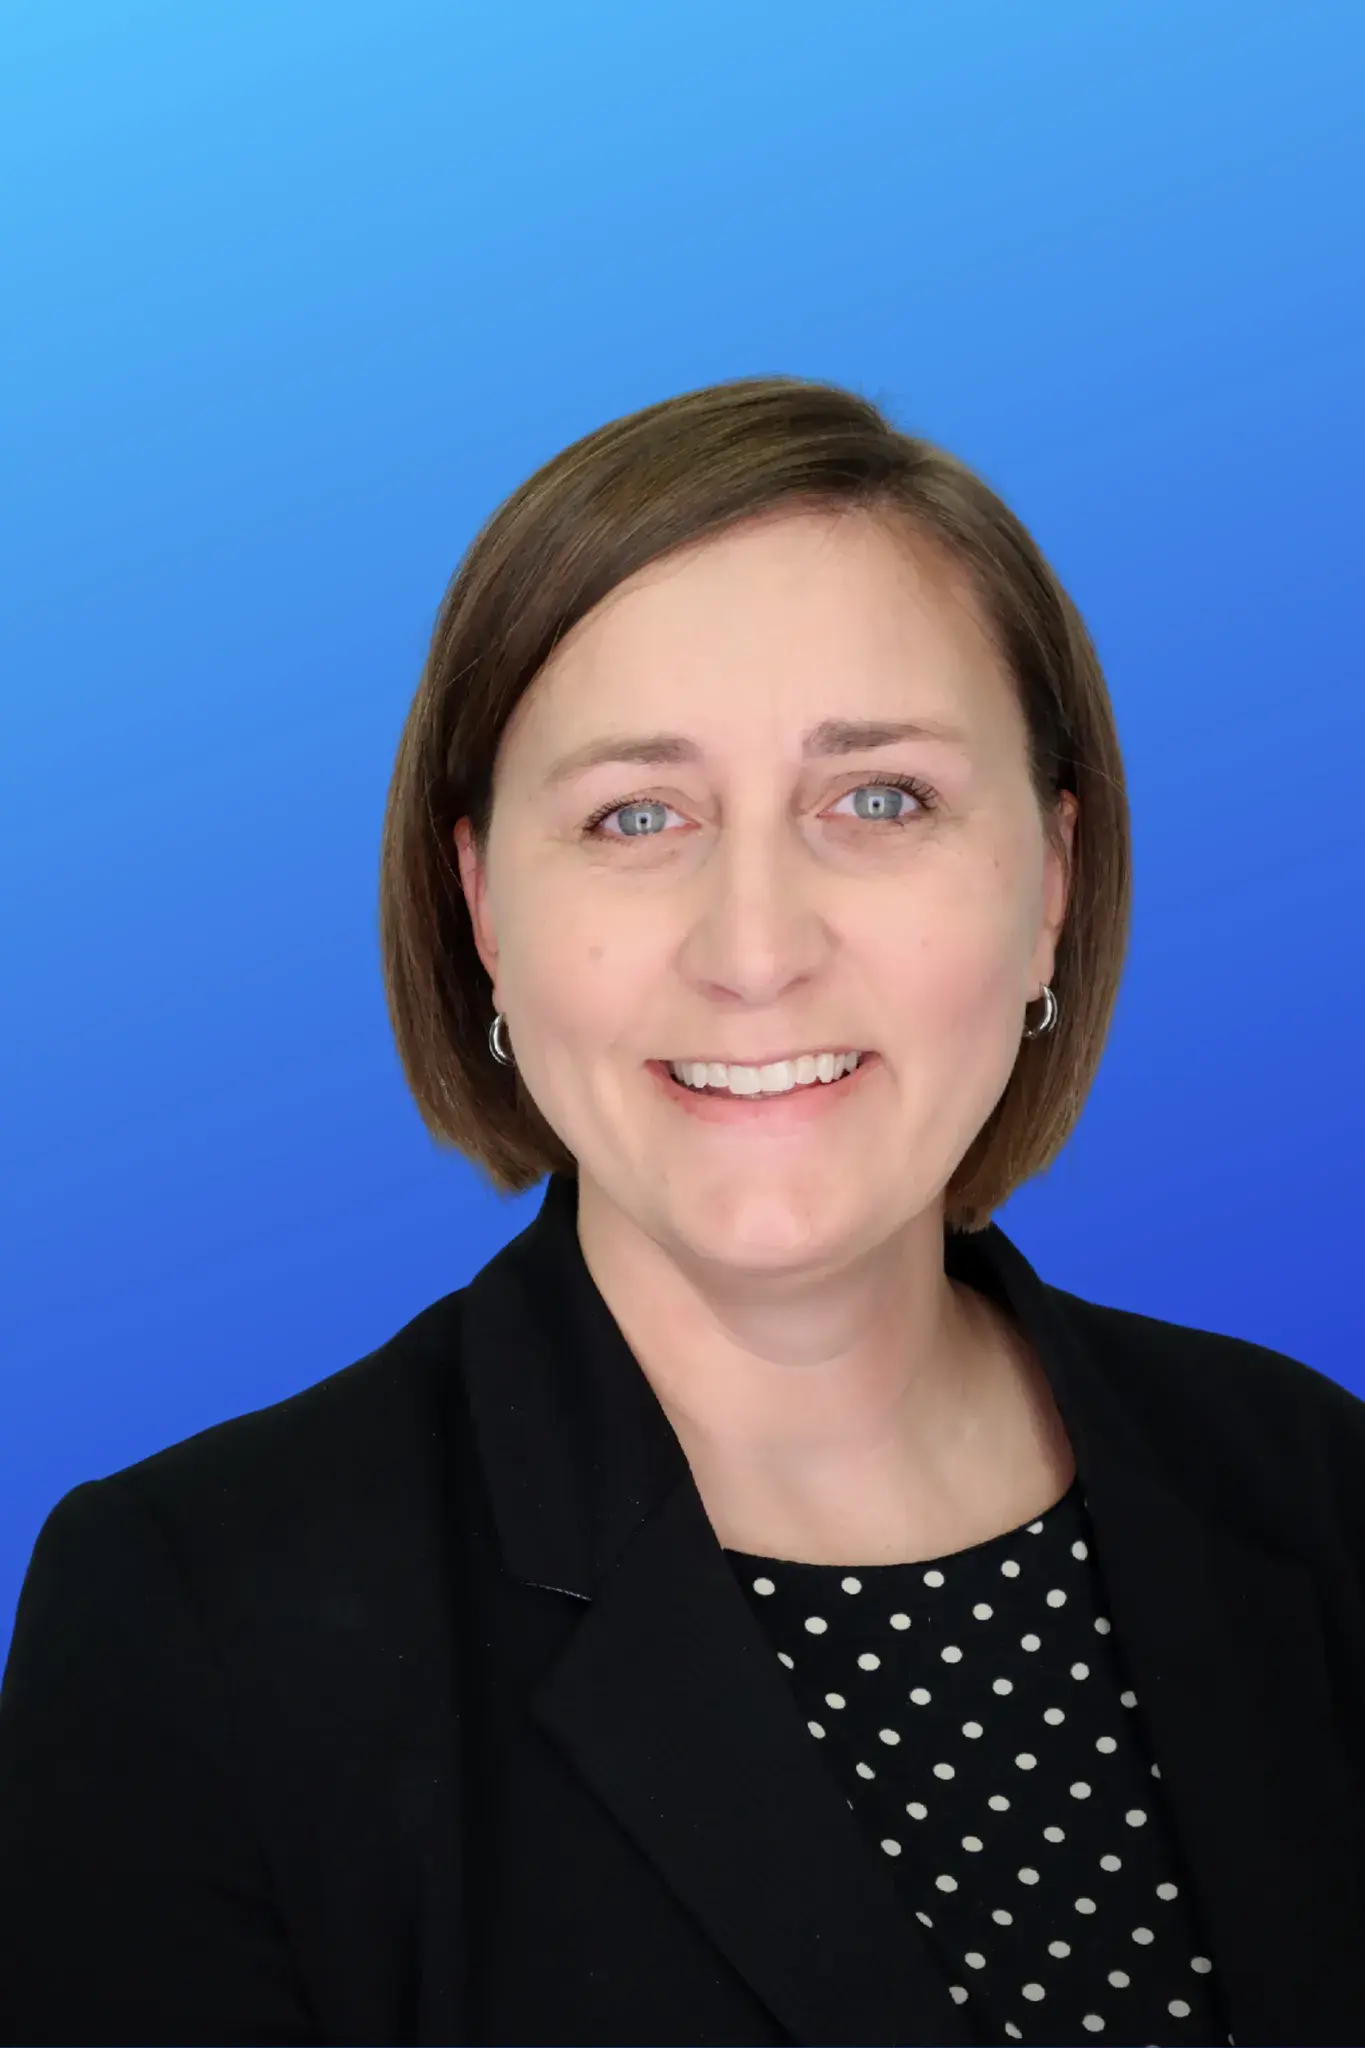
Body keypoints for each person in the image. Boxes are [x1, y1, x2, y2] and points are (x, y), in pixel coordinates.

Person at [1, 376, 1363, 2048]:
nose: (755, 945)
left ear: (1053, 886)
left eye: (879, 800)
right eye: (637, 816)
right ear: (485, 902)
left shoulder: (1319, 1496)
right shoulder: (196, 1627)